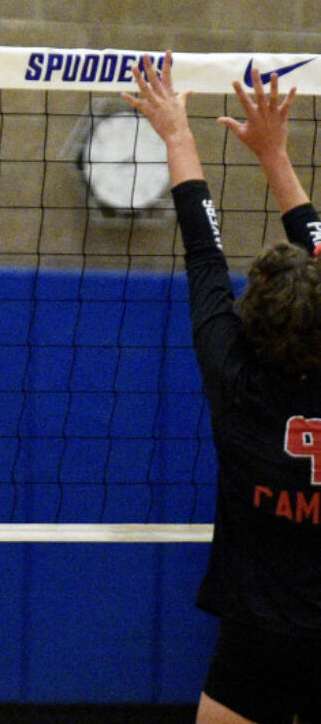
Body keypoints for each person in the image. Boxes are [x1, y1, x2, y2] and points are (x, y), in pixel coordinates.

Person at [124, 55, 321, 724]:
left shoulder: (234, 380)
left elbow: (203, 256)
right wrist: (276, 156)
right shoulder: (237, 375)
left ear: (251, 315)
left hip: (257, 633)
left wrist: (178, 136)